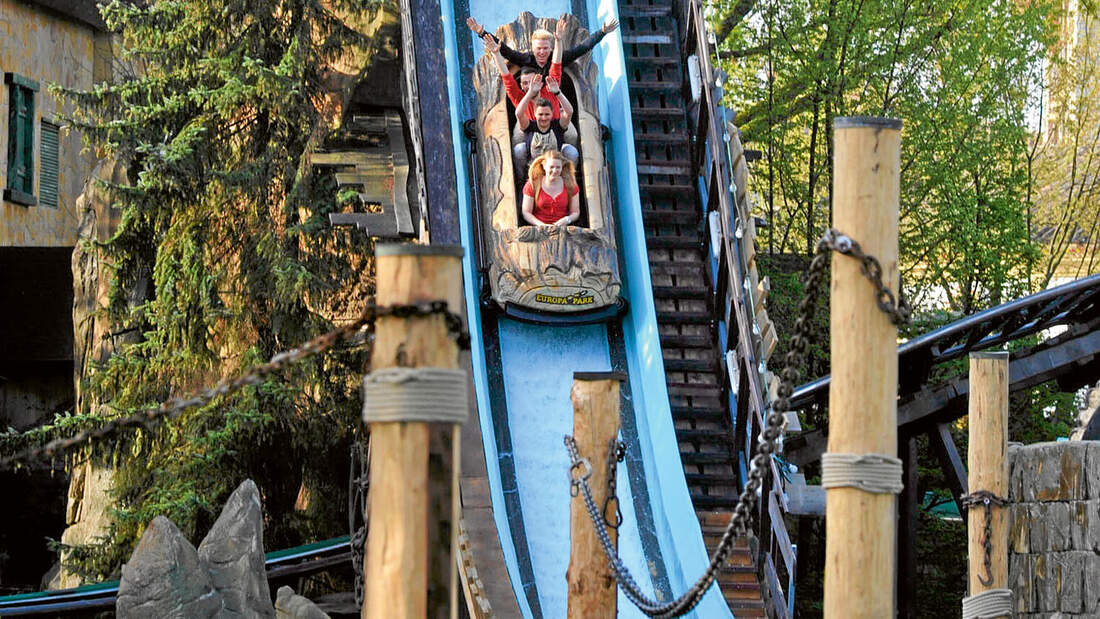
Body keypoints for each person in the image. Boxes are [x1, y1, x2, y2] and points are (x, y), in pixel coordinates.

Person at [468, 14, 619, 79]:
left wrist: (602, 32)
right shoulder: (527, 58)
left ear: (551, 48)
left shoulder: (558, 58)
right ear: (533, 49)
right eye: (538, 49)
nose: (542, 52)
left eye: (545, 48)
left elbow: (582, 48)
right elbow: (506, 51)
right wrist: (481, 32)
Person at [514, 74, 578, 177]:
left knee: (572, 152)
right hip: (535, 165)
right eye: (540, 114)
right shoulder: (530, 126)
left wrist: (558, 93)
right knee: (518, 149)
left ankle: (569, 177)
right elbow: (518, 113)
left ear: (552, 114)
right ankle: (521, 179)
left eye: (547, 114)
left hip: (555, 165)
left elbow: (569, 112)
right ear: (535, 114)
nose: (543, 118)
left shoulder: (557, 126)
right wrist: (530, 93)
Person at [522, 150, 580, 227]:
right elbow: (526, 212)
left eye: (558, 167)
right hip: (538, 227)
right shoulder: (533, 184)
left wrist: (567, 220)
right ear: (544, 166)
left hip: (562, 227)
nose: (554, 170)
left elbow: (575, 212)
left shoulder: (570, 185)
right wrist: (541, 225)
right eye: (551, 167)